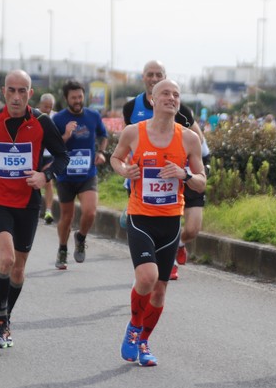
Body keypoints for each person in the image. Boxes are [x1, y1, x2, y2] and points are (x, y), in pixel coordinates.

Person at [0, 70, 69, 348]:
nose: (16, 97)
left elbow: (62, 156)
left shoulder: (41, 122)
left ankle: (5, 317)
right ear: (3, 92)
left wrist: (45, 176)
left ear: (30, 93)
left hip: (28, 203)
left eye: (21, 91)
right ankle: (1, 321)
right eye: (11, 90)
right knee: (7, 259)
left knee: (19, 269)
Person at [111, 79, 206, 366]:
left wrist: (184, 174)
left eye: (176, 94)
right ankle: (133, 327)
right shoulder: (133, 132)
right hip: (140, 217)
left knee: (161, 290)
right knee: (147, 278)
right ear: (152, 100)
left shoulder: (189, 138)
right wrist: (125, 170)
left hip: (170, 221)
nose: (171, 98)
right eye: (165, 93)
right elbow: (116, 159)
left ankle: (143, 341)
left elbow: (202, 183)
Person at [123, 59, 209, 280]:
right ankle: (163, 262)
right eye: (149, 74)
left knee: (192, 229)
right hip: (146, 180)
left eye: (158, 75)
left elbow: (200, 144)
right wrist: (126, 171)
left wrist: (190, 170)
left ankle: (175, 246)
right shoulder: (131, 108)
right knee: (149, 277)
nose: (154, 79)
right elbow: (127, 148)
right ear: (144, 79)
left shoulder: (183, 114)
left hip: (182, 174)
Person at [53, 79, 108, 269]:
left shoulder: (93, 116)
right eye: (73, 97)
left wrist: (101, 152)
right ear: (66, 98)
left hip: (87, 174)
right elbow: (51, 146)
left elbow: (104, 135)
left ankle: (81, 237)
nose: (77, 100)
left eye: (80, 97)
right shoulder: (58, 119)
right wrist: (66, 136)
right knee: (66, 217)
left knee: (90, 212)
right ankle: (62, 249)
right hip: (65, 176)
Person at [38, 93, 57, 224]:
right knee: (34, 183)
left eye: (50, 107)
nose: (48, 110)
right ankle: (35, 208)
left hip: (49, 155)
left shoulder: (56, 117)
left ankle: (48, 211)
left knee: (48, 182)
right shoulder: (33, 115)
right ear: (40, 105)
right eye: (45, 107)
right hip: (35, 155)